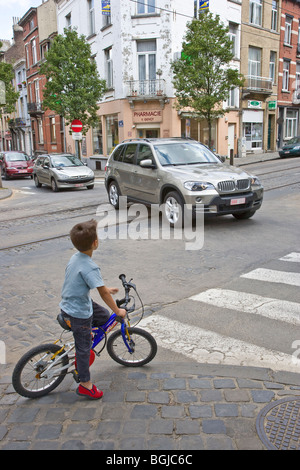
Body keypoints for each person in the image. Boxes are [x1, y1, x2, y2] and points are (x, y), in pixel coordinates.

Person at [60, 219, 126, 400]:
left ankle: (87, 335)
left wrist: (106, 288)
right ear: (95, 243)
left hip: (73, 303)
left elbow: (84, 283)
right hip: (77, 313)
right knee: (83, 349)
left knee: (105, 317)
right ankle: (85, 384)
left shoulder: (76, 258)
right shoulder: (90, 266)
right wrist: (118, 310)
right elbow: (103, 294)